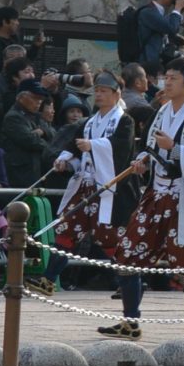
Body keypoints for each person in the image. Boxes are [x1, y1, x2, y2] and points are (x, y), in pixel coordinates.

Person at [99, 58, 184, 341]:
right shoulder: (161, 112)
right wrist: (144, 159)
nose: (166, 82)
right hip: (156, 195)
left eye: (173, 78)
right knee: (128, 255)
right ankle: (130, 321)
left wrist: (176, 149)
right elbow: (150, 147)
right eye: (165, 77)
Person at [49, 72, 131, 288]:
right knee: (67, 228)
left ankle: (129, 281)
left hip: (107, 186)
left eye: (104, 91)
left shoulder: (124, 121)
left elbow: (121, 150)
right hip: (84, 184)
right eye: (97, 90)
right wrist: (65, 160)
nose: (99, 95)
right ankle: (47, 280)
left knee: (107, 235)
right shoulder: (90, 122)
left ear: (116, 94)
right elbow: (73, 145)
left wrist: (94, 146)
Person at [134, 0, 184, 71]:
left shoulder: (157, 12)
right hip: (146, 65)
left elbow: (170, 27)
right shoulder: (148, 12)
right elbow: (171, 28)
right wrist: (177, 8)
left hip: (152, 64)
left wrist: (179, 11)